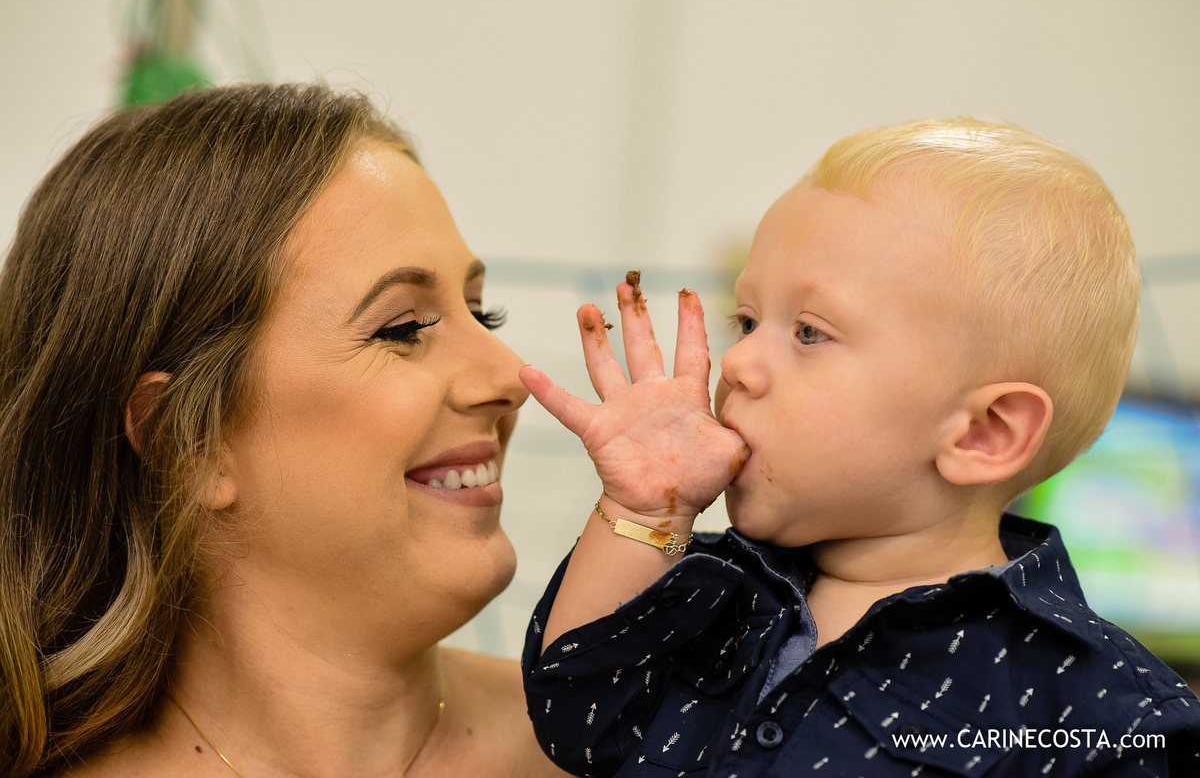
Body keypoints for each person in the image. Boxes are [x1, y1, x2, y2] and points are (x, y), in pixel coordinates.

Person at [518, 119, 1200, 776]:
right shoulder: (712, 594)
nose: (739, 363)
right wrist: (643, 507)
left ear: (983, 432)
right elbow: (574, 719)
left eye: (809, 333)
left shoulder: (1101, 711)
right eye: (747, 320)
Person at [0, 83, 567, 778]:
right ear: (188, 441)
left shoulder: (629, 749)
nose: (511, 377)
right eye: (403, 328)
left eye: (484, 314)